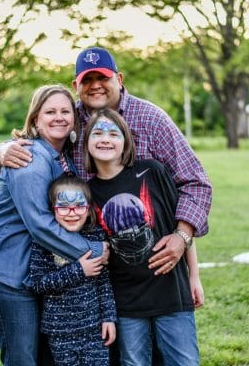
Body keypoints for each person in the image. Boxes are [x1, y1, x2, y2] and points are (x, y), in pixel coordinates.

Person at [0, 46, 212, 278]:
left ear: (119, 79)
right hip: (94, 260)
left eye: (102, 77)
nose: (95, 85)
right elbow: (37, 138)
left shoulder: (151, 119)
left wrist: (182, 236)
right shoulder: (70, 118)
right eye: (87, 79)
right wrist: (0, 152)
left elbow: (195, 182)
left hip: (152, 260)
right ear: (76, 86)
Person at [0, 84, 110, 366]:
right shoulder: (31, 158)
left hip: (31, 273)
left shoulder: (61, 156)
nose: (58, 117)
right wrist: (93, 250)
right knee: (22, 359)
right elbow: (41, 225)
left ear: (74, 118)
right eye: (50, 111)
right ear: (35, 119)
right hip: (6, 272)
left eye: (65, 111)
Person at [85, 108, 200, 365]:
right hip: (126, 302)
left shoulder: (152, 172)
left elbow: (182, 227)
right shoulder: (87, 193)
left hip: (172, 293)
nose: (105, 139)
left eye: (114, 133)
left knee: (184, 361)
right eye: (98, 133)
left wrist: (194, 276)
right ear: (87, 143)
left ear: (126, 140)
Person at [24, 174, 117, 366]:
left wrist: (109, 318)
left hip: (94, 329)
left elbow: (103, 283)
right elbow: (38, 283)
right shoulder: (45, 241)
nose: (72, 213)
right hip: (60, 331)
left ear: (89, 208)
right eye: (63, 207)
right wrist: (78, 270)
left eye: (79, 206)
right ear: (53, 210)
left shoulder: (95, 236)